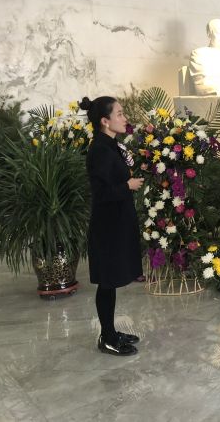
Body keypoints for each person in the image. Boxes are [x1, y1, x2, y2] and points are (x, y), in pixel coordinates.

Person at [80, 96, 144, 356]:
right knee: (107, 283)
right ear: (105, 121)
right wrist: (127, 185)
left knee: (111, 281)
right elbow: (102, 193)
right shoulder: (100, 150)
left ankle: (111, 331)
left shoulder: (111, 145)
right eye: (119, 114)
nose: (124, 118)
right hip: (107, 227)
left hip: (117, 222)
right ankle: (107, 337)